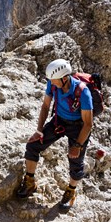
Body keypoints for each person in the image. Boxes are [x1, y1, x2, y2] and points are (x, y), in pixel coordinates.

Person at [16, 59, 93, 210]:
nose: (52, 83)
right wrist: (39, 131)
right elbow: (45, 106)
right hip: (59, 121)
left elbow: (88, 124)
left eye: (54, 80)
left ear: (64, 78)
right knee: (32, 146)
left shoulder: (83, 92)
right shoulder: (53, 83)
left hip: (79, 126)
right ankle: (30, 182)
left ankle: (71, 191)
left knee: (76, 161)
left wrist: (77, 145)